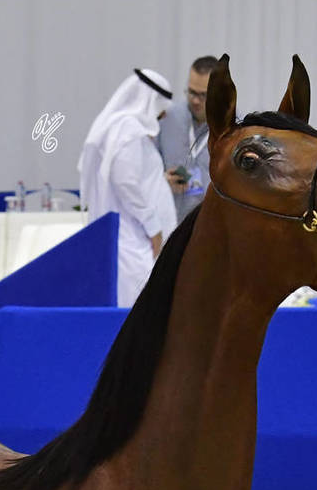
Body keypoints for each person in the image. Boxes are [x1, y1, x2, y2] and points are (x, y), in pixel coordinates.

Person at [78, 67, 178, 306]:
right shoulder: (128, 130)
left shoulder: (125, 129)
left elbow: (135, 178)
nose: (162, 115)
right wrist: (154, 228)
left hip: (134, 238)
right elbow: (125, 182)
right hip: (132, 241)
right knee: (135, 310)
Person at [155, 55, 217, 222]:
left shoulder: (235, 128)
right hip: (170, 226)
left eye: (203, 95)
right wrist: (162, 180)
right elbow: (146, 169)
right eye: (191, 92)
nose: (195, 101)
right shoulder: (167, 118)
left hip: (212, 230)